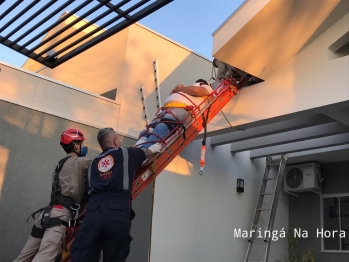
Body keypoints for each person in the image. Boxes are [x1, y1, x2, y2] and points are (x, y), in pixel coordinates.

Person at [70, 127, 161, 262]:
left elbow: (87, 191)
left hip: (94, 212)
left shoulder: (93, 163)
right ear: (115, 141)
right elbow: (145, 153)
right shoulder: (126, 153)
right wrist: (154, 149)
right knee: (115, 254)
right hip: (117, 211)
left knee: (84, 252)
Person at [14, 128, 92, 262]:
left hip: (46, 215)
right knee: (44, 258)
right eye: (81, 144)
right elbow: (102, 166)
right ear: (76, 145)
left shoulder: (60, 164)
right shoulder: (79, 163)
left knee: (22, 258)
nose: (83, 147)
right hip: (59, 216)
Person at [135, 79, 213, 148]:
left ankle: (143, 154)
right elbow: (173, 94)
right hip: (168, 110)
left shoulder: (206, 87)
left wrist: (180, 89)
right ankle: (136, 152)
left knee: (161, 129)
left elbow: (195, 91)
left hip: (180, 110)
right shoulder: (186, 90)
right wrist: (177, 89)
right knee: (147, 132)